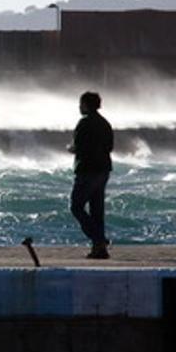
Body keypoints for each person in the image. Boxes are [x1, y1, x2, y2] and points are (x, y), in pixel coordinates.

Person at [68, 91, 114, 259]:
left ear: (86, 105)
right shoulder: (104, 123)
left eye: (81, 104)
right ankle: (99, 250)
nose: (80, 107)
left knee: (76, 207)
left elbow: (78, 147)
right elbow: (110, 147)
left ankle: (99, 240)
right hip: (103, 170)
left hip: (87, 170)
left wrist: (71, 149)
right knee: (97, 210)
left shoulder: (84, 123)